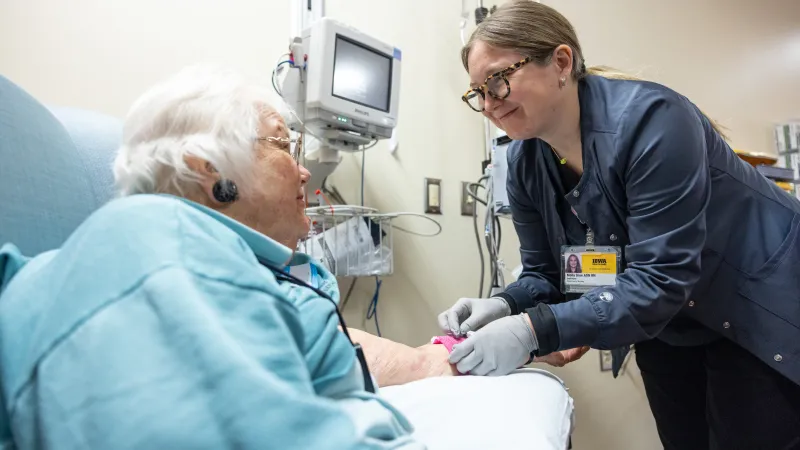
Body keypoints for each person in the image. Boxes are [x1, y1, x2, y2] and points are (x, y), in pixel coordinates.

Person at [0, 65, 447, 449]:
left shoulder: (267, 278)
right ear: (211, 171)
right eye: (284, 146)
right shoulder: (158, 242)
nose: (305, 170)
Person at [437, 1, 800, 449]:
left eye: (497, 81)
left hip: (753, 302)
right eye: (478, 93)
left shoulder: (653, 121)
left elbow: (661, 277)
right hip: (665, 320)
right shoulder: (526, 163)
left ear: (561, 63)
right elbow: (549, 274)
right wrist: (506, 304)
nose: (490, 103)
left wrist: (534, 330)